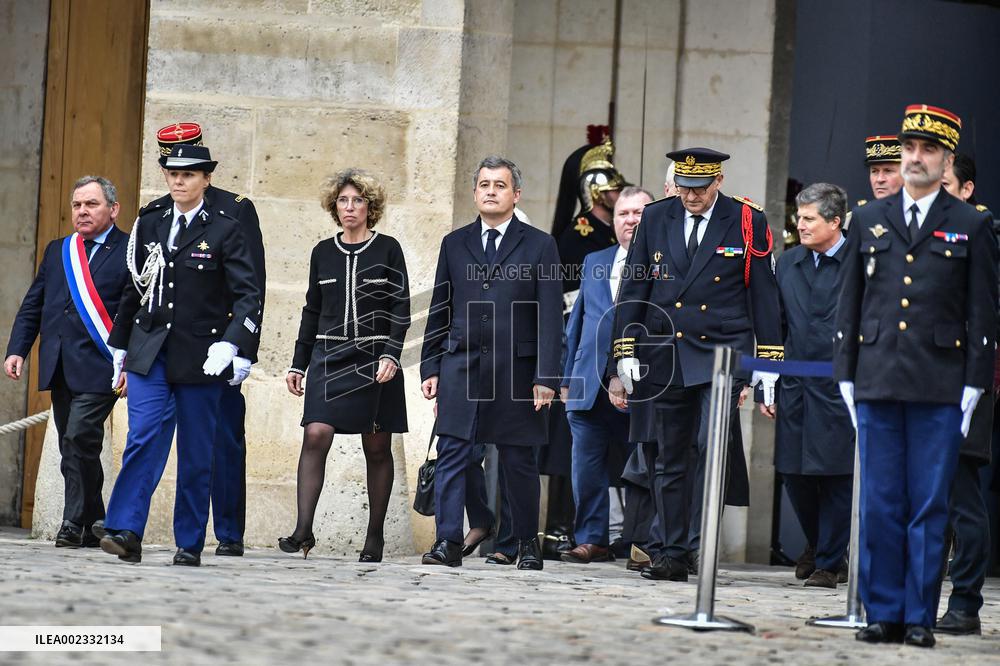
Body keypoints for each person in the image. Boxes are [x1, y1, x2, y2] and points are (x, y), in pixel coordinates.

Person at [835, 104, 997, 648]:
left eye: (928, 150)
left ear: (946, 157)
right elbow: (850, 304)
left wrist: (975, 382)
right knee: (881, 499)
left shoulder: (971, 223)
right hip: (878, 376)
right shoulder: (866, 218)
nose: (915, 158)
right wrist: (845, 374)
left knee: (929, 503)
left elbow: (983, 311)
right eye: (909, 148)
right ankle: (881, 611)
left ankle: (919, 616)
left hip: (940, 382)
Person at [609, 147, 782, 582]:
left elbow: (763, 294)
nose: (690, 196)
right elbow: (636, 286)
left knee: (710, 450)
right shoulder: (657, 217)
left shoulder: (746, 220)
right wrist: (624, 349)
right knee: (668, 456)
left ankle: (698, 545)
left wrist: (769, 361)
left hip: (722, 354)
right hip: (665, 353)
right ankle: (669, 551)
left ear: (718, 182)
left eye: (700, 189)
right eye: (684, 187)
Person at [98, 145, 262, 566]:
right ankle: (125, 530)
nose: (178, 180)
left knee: (196, 450)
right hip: (150, 351)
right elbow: (136, 286)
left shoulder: (226, 228)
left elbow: (248, 294)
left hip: (201, 354)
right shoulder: (152, 222)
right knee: (144, 436)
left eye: (188, 174)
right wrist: (120, 345)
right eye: (172, 173)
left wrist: (233, 344)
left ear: (206, 179)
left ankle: (188, 542)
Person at [419, 155, 562, 569]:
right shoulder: (454, 242)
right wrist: (431, 366)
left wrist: (547, 376)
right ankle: (448, 541)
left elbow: (550, 316)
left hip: (517, 372)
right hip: (461, 367)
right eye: (484, 185)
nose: (491, 192)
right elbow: (440, 308)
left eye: (500, 185)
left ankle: (525, 543)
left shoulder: (541, 245)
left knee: (519, 460)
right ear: (474, 192)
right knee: (452, 452)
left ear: (516, 194)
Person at [282, 168, 409, 562]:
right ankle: (303, 530)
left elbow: (400, 307)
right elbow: (311, 310)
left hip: (374, 360)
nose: (349, 207)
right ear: (334, 208)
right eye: (343, 201)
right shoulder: (322, 252)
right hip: (328, 356)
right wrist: (298, 363)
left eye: (357, 201)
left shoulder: (388, 248)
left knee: (376, 447)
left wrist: (391, 353)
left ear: (370, 208)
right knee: (316, 432)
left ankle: (375, 537)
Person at [5, 176, 130, 548]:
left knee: (79, 436)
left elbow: (134, 313)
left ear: (113, 209)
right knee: (72, 446)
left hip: (101, 364)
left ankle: (71, 522)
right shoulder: (59, 250)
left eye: (91, 204)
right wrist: (17, 349)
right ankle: (96, 519)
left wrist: (130, 365)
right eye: (77, 205)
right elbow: (34, 303)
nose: (82, 212)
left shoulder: (129, 250)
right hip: (60, 362)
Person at [763, 183, 854, 588]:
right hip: (795, 384)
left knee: (835, 474)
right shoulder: (788, 263)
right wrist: (767, 379)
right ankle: (819, 544)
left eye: (809, 219)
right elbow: (775, 326)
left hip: (840, 386)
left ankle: (830, 562)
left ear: (835, 222)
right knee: (793, 471)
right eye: (798, 218)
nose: (799, 225)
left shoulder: (860, 261)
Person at [559, 186, 653, 563]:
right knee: (586, 468)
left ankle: (641, 542)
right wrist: (566, 379)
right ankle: (593, 538)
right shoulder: (595, 260)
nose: (629, 220)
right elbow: (578, 322)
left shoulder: (662, 263)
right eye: (622, 214)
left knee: (643, 465)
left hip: (640, 384)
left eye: (638, 213)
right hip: (588, 381)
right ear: (613, 221)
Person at [935, 152, 995, 636]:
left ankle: (966, 603)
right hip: (921, 382)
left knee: (961, 499)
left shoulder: (982, 233)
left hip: (967, 385)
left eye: (947, 182)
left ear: (967, 189)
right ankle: (918, 599)